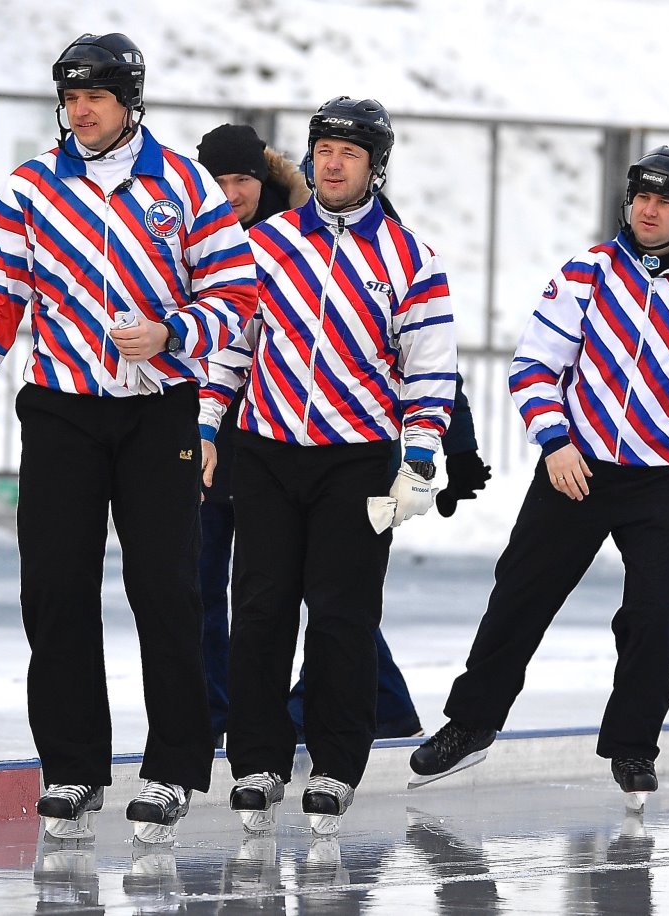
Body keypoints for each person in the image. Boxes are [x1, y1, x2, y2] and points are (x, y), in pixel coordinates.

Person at [0, 32, 256, 844]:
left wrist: (173, 333)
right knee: (55, 589)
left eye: (95, 97)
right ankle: (71, 768)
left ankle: (173, 769)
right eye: (70, 97)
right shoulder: (31, 188)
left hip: (156, 409)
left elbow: (236, 293)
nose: (80, 111)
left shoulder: (185, 185)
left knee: (166, 589)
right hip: (62, 409)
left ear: (131, 100)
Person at [409, 146, 669, 807]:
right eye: (642, 197)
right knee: (520, 593)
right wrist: (555, 442)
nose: (649, 210)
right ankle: (471, 723)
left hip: (661, 481)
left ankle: (633, 747)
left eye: (666, 201)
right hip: (576, 468)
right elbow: (534, 365)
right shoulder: (589, 273)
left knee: (654, 615)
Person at [199, 97, 458, 835]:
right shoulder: (267, 245)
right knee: (259, 609)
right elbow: (230, 343)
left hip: (356, 461)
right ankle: (256, 762)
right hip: (270, 452)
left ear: (376, 166)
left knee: (344, 616)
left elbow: (429, 368)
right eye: (323, 150)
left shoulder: (411, 258)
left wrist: (419, 454)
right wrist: (209, 423)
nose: (333, 162)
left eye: (349, 152)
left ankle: (338, 766)